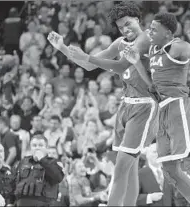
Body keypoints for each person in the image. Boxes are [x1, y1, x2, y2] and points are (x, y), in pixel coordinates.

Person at [47, 2, 170, 206]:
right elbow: (88, 65)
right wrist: (63, 49)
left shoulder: (146, 39)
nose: (125, 29)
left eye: (128, 23)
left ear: (138, 20)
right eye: (121, 27)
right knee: (129, 169)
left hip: (145, 106)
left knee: (121, 166)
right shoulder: (120, 43)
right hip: (126, 105)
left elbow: (121, 65)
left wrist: (87, 56)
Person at [123, 13, 190, 206]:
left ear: (167, 32)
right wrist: (136, 63)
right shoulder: (154, 52)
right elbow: (151, 86)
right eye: (149, 28)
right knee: (170, 169)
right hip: (162, 110)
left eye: (154, 29)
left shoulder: (178, 46)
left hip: (178, 106)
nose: (149, 31)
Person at [14, 134, 65, 206]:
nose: (37, 148)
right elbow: (13, 183)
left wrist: (42, 160)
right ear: (30, 148)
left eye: (40, 145)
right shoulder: (22, 162)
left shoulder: (54, 162)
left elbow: (58, 178)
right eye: (34, 145)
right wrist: (10, 202)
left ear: (47, 148)